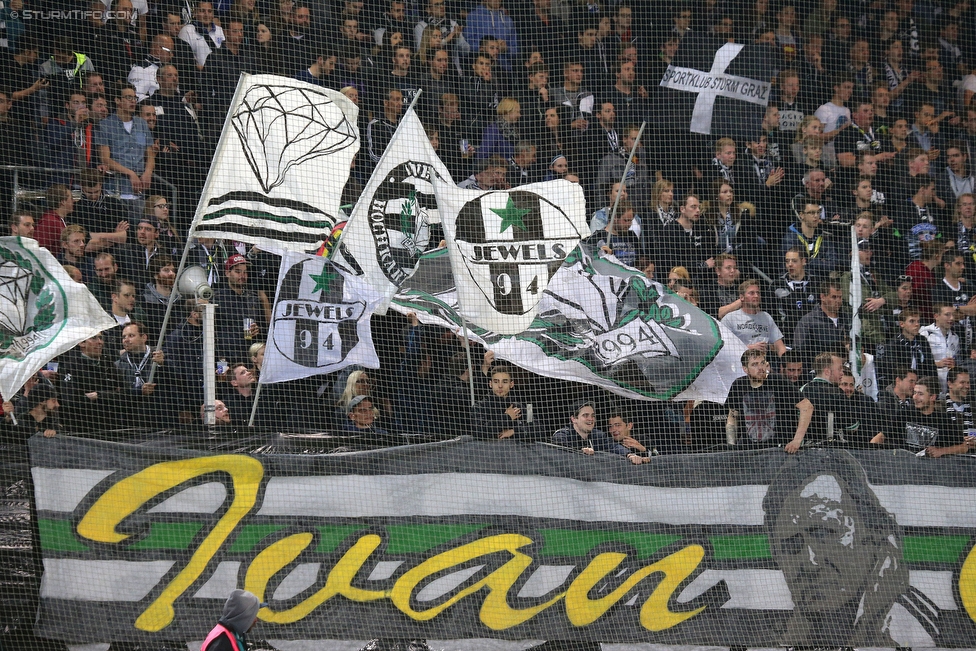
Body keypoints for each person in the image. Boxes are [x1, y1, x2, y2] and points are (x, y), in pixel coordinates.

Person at [764, 451, 940, 647]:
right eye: (791, 545)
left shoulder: (908, 630)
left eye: (823, 534)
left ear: (874, 532)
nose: (811, 562)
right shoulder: (791, 633)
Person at [725, 349, 812, 452]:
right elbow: (732, 417)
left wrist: (797, 441)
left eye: (762, 363)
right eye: (754, 364)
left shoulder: (778, 382)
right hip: (748, 451)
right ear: (745, 369)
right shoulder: (738, 385)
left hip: (777, 450)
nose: (760, 368)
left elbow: (807, 406)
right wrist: (731, 446)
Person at [552, 402, 643, 464]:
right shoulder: (562, 435)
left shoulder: (598, 435)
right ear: (574, 419)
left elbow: (613, 446)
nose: (591, 419)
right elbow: (560, 452)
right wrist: (580, 451)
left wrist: (629, 455)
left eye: (593, 416)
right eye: (585, 415)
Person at [214, 253, 264, 365]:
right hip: (224, 359)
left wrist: (257, 329)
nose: (242, 275)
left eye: (245, 272)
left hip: (248, 359)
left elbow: (261, 327)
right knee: (224, 382)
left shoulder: (253, 298)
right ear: (227, 273)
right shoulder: (217, 298)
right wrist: (220, 364)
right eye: (237, 271)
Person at [720, 279, 788, 357]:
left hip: (763, 364)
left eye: (758, 293)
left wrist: (786, 363)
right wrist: (749, 348)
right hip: (738, 364)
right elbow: (723, 347)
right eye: (751, 293)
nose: (756, 296)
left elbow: (780, 346)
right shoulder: (730, 318)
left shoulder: (766, 317)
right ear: (742, 297)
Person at [877, 307, 938, 389]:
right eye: (912, 321)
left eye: (918, 321)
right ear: (902, 324)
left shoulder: (922, 341)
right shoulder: (894, 344)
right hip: (901, 385)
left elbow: (931, 366)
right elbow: (893, 371)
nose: (917, 324)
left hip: (922, 384)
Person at [471, 365, 531, 440]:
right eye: (496, 382)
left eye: (504, 382)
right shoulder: (480, 406)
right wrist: (507, 417)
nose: (500, 386)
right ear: (490, 384)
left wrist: (515, 431)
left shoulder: (520, 406)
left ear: (511, 384)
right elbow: (478, 432)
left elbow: (540, 430)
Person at [920, 303, 959, 394]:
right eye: (947, 314)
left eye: (953, 314)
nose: (952, 318)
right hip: (930, 383)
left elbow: (958, 359)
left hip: (949, 385)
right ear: (936, 316)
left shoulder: (955, 337)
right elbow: (918, 361)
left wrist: (954, 364)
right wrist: (937, 364)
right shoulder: (924, 333)